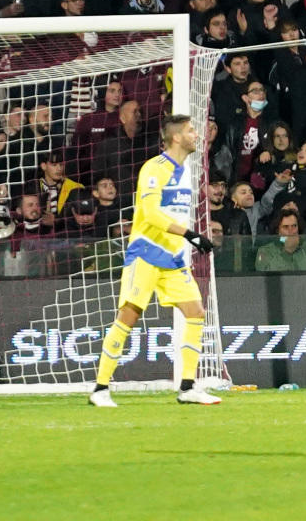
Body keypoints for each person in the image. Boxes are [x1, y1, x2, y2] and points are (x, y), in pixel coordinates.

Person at [91, 114, 217, 408]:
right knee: (128, 317)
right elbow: (149, 213)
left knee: (196, 313)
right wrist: (190, 235)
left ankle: (188, 387)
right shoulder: (155, 167)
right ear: (176, 137)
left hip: (172, 258)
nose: (196, 135)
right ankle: (100, 388)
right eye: (190, 131)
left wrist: (183, 240)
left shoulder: (185, 171)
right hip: (146, 254)